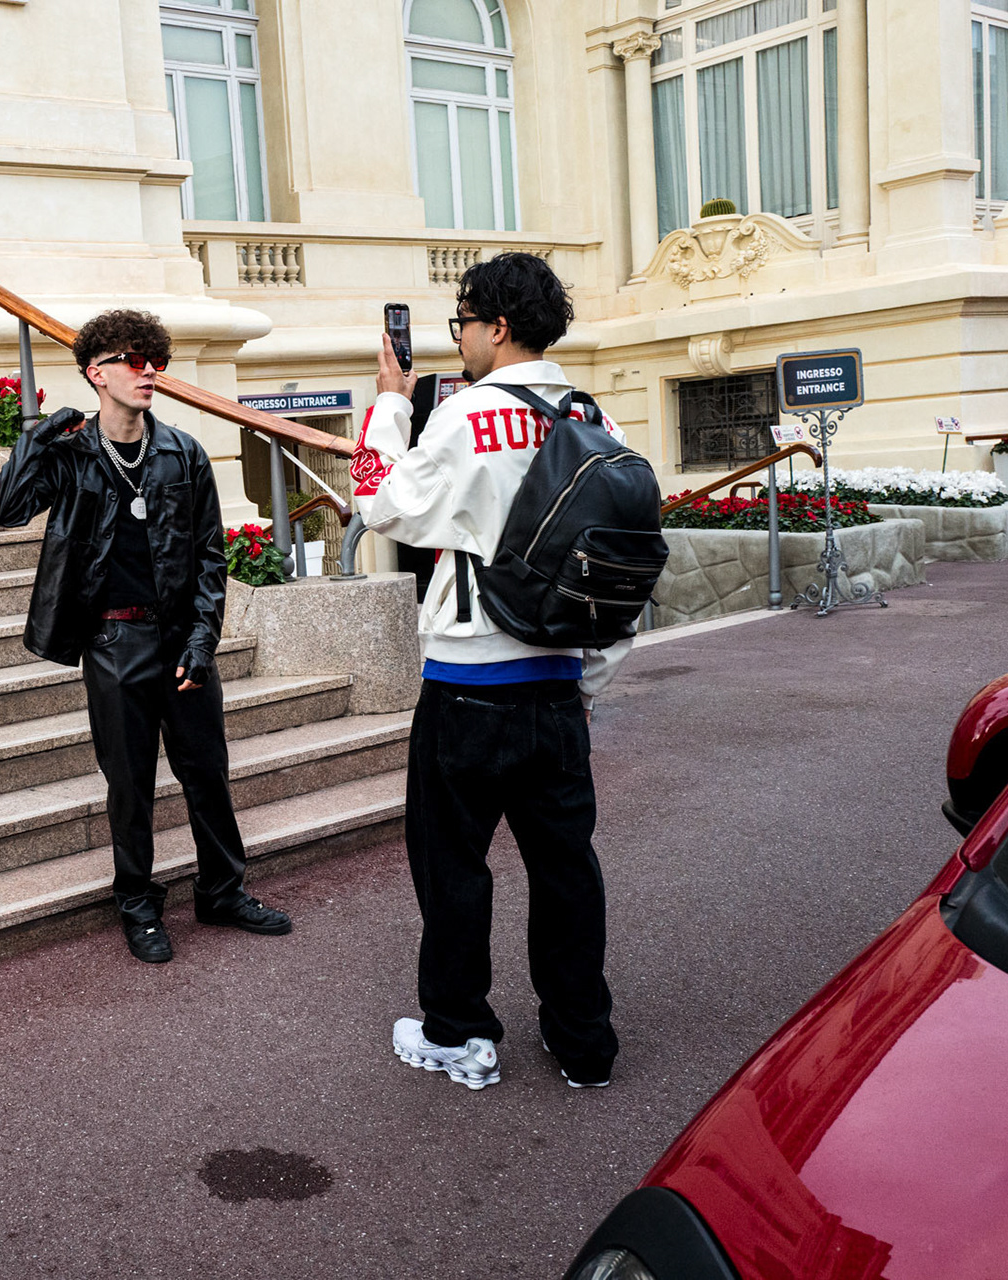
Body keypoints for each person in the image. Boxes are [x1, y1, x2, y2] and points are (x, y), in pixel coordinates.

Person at [360, 253, 630, 1090]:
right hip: (557, 684)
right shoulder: (594, 417)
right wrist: (587, 682)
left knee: (452, 868)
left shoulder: (468, 415)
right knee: (565, 870)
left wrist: (391, 404)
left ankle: (459, 1032)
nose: (461, 340)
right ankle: (583, 1039)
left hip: (468, 683)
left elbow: (380, 502)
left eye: (462, 324)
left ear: (496, 326)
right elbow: (617, 561)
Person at [0, 309, 291, 964]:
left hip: (182, 637)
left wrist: (202, 641)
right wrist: (35, 442)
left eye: (154, 358)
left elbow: (211, 558)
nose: (148, 370)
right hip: (114, 642)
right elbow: (4, 509)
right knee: (129, 782)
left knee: (207, 770)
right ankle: (137, 903)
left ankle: (222, 890)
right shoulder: (69, 455)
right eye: (131, 359)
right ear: (96, 372)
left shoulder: (182, 452)